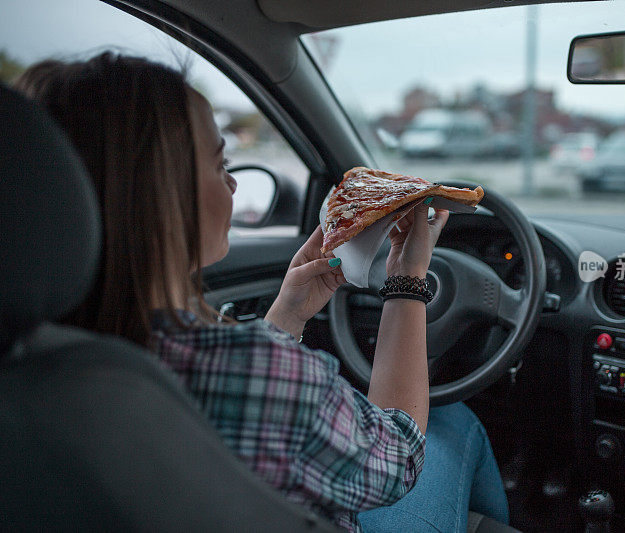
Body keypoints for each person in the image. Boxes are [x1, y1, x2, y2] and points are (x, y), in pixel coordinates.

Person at [15, 52, 509, 532]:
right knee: (454, 422)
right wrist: (407, 278)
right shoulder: (249, 371)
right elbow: (400, 456)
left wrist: (286, 317)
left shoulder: (37, 362)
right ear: (159, 196)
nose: (232, 184)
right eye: (217, 163)